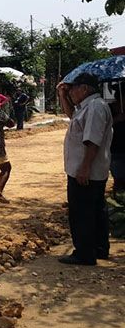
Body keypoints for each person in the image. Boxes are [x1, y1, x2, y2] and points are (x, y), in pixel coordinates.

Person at [57, 73, 113, 265]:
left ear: (85, 88)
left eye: (72, 89)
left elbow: (92, 141)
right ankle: (98, 248)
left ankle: (84, 253)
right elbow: (73, 118)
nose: (70, 92)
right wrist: (63, 97)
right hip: (88, 170)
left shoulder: (96, 107)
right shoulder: (88, 107)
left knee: (82, 213)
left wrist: (84, 167)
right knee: (95, 210)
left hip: (85, 172)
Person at [109, 83, 125, 194]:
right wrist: (117, 119)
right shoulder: (109, 108)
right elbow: (102, 126)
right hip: (116, 149)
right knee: (119, 179)